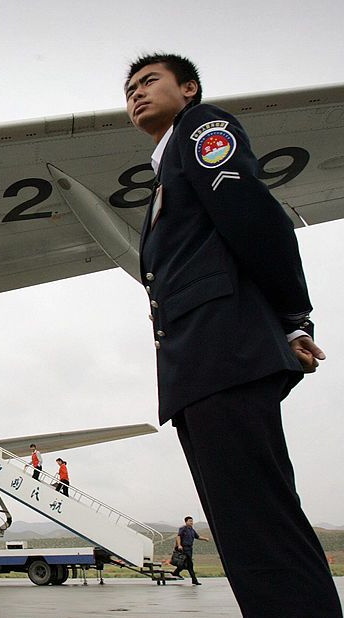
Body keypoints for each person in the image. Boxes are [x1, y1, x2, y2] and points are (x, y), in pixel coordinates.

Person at [124, 53, 341, 617]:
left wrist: (293, 317)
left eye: (150, 82)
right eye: (130, 90)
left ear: (189, 89)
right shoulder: (165, 167)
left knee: (262, 524)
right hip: (199, 369)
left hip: (224, 358)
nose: (137, 94)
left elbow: (254, 215)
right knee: (243, 532)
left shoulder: (202, 129)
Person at [171, 516, 208, 585]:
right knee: (190, 565)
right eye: (190, 521)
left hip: (190, 549)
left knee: (185, 564)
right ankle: (194, 580)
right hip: (184, 548)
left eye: (192, 521)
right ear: (186, 522)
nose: (191, 522)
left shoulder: (192, 530)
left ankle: (176, 572)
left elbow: (197, 537)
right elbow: (178, 536)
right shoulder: (183, 529)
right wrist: (179, 545)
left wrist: (205, 539)